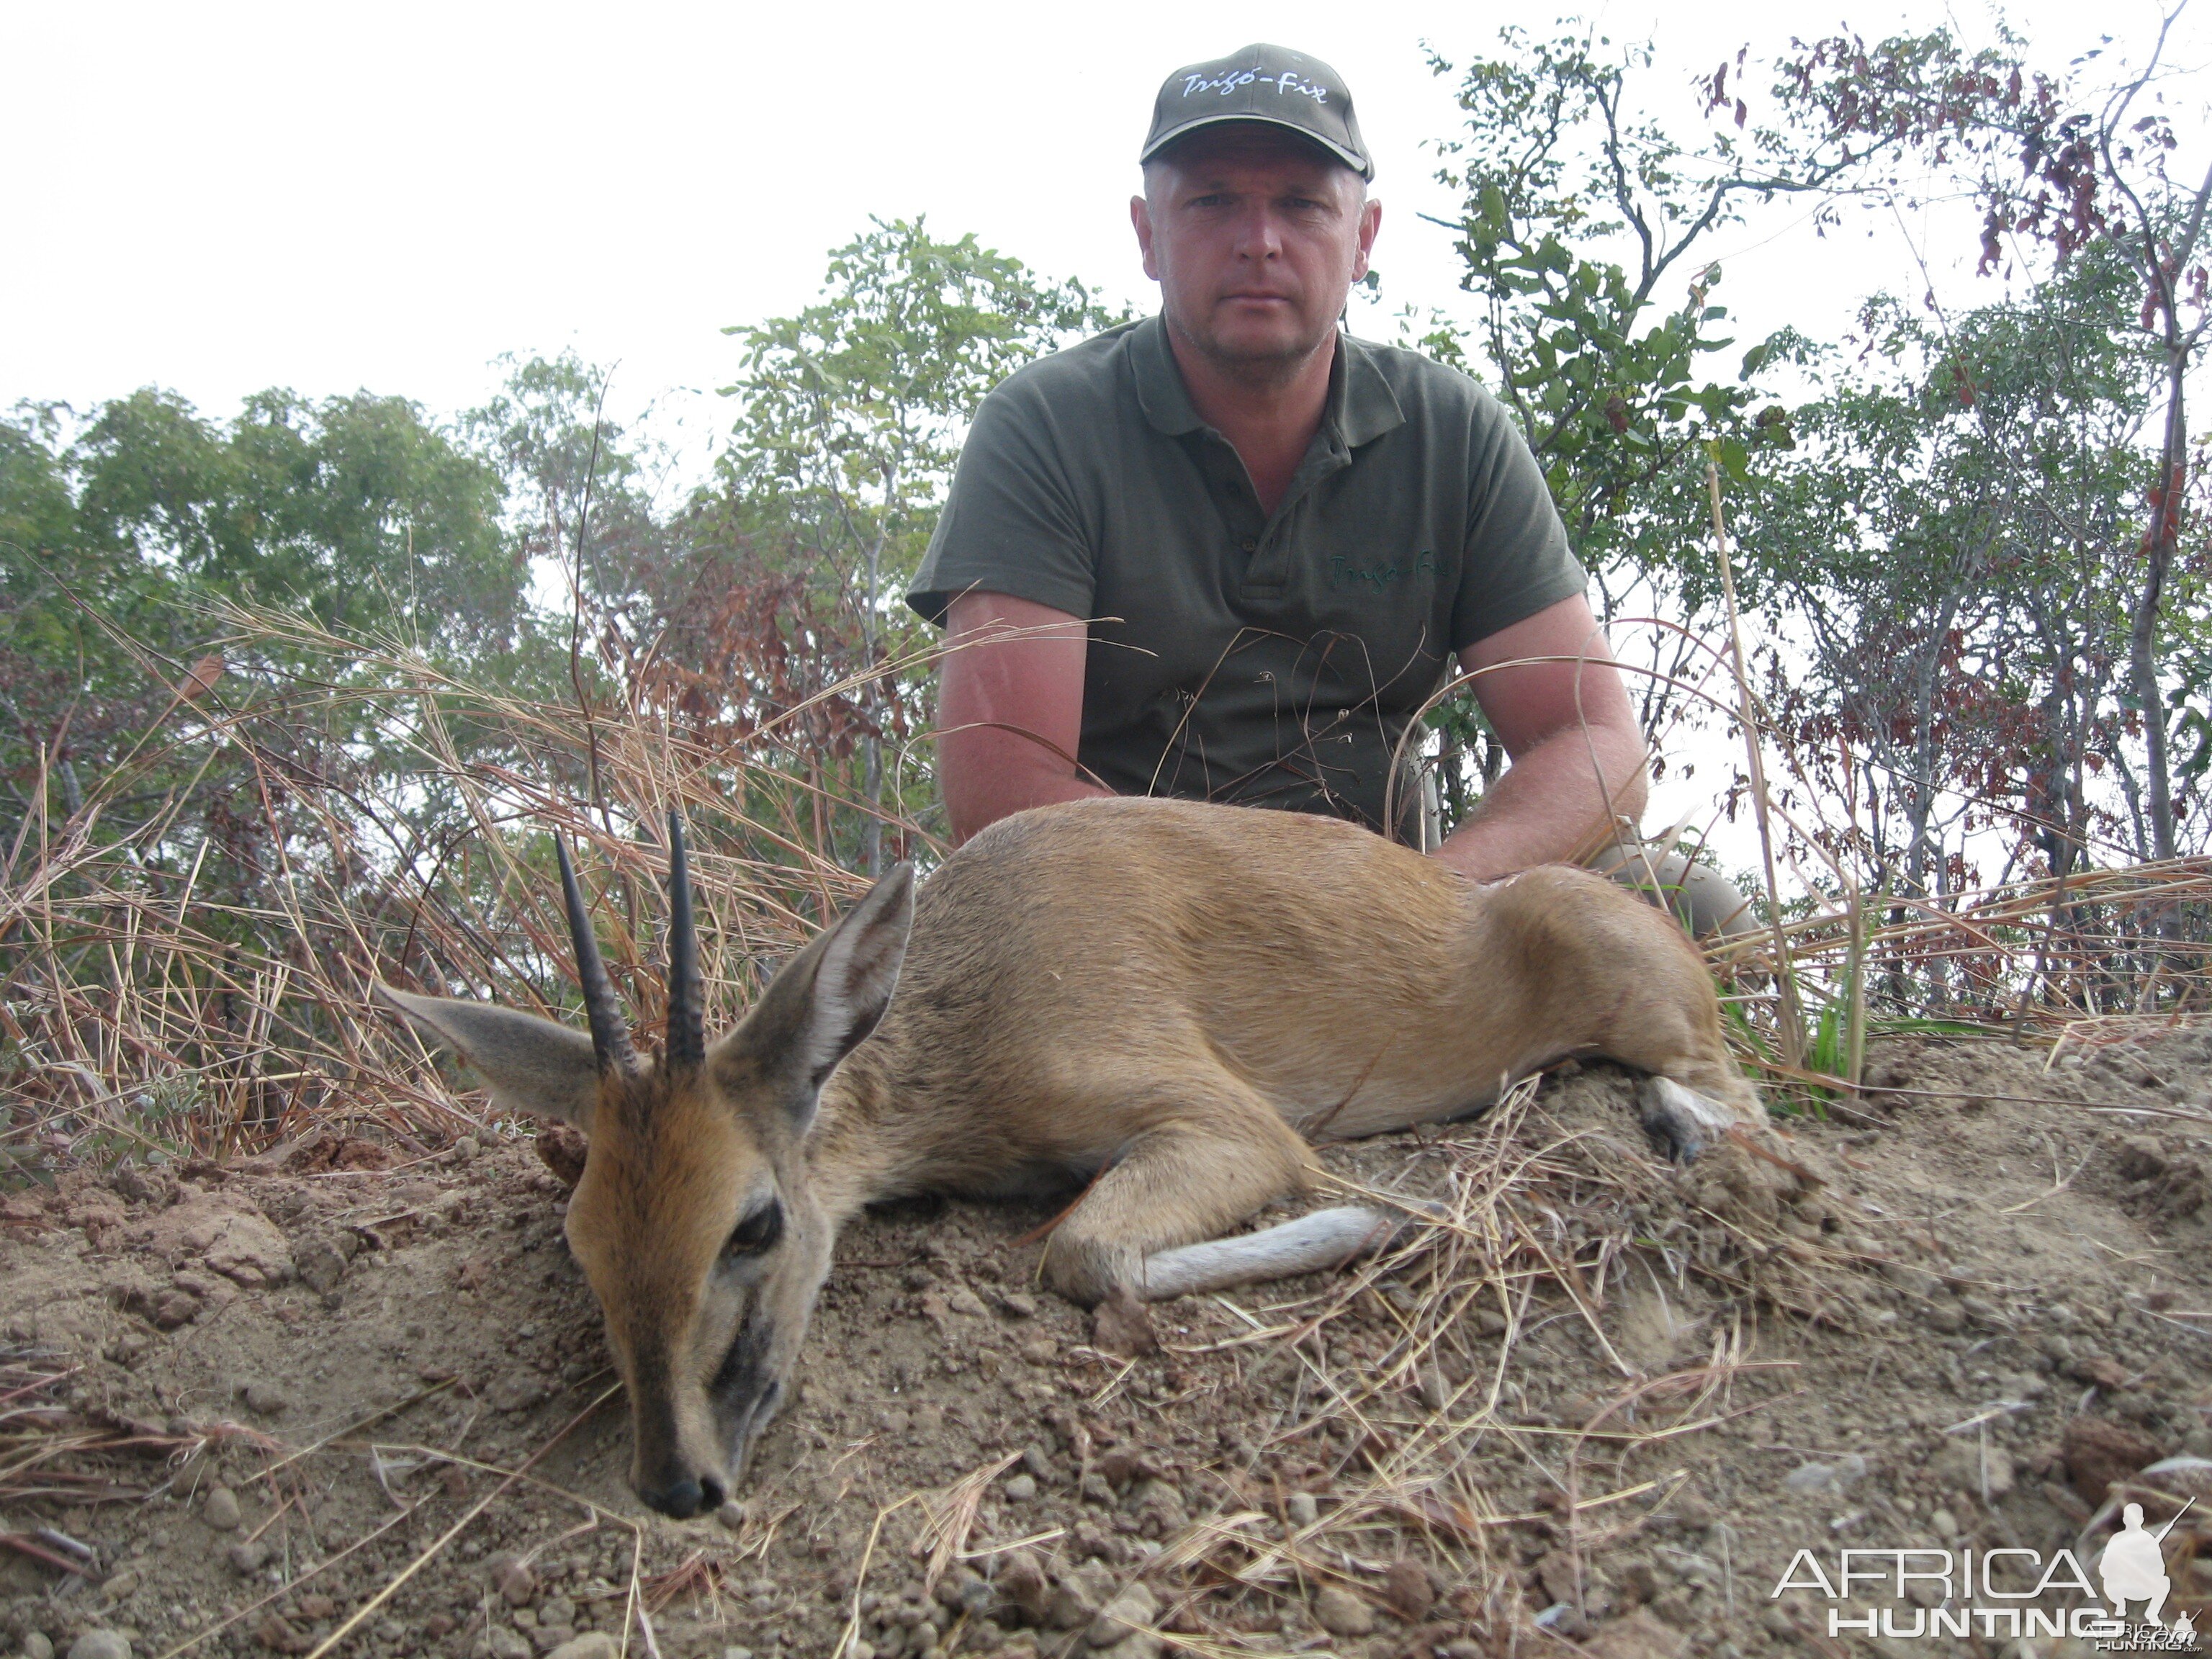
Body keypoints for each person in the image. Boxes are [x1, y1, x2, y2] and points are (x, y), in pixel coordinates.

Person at [907, 43, 1744, 932]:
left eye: (1303, 204)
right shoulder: (1043, 425)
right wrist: (1265, 918)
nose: (1259, 240)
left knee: (1684, 902)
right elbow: (1000, 795)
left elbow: (1597, 742)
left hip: (1400, 930)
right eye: (1213, 200)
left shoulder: (1452, 430)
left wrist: (1430, 901)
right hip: (1136, 934)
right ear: (1148, 236)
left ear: (1364, 239)